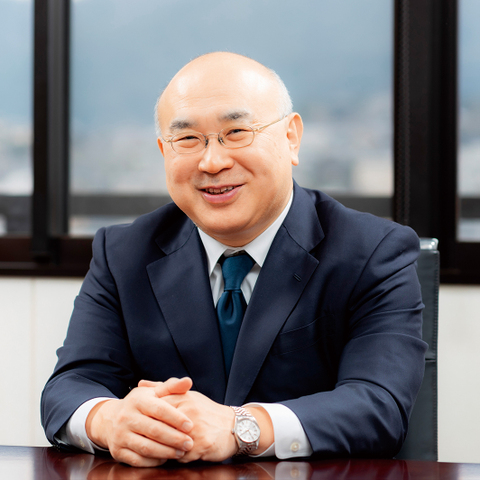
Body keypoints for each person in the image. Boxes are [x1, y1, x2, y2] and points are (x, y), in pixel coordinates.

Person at [41, 52, 427, 468]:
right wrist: (110, 420)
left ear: (291, 138)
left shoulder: (373, 251)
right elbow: (69, 388)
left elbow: (378, 405)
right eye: (188, 140)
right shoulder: (123, 253)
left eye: (237, 132)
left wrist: (240, 427)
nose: (212, 162)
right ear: (164, 151)